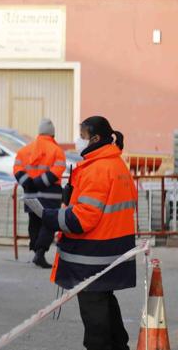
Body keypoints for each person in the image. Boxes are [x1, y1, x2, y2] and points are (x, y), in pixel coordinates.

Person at [33, 116, 136, 350]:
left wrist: (47, 216)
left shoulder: (98, 168)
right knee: (105, 302)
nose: (78, 141)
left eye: (82, 136)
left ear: (96, 138)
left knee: (94, 313)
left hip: (93, 254)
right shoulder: (115, 164)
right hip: (113, 249)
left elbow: (82, 219)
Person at [13, 119, 66, 268]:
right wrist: (39, 182)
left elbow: (17, 169)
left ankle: (36, 250)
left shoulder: (24, 150)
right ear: (53, 134)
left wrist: (29, 183)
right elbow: (57, 171)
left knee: (34, 221)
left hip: (30, 193)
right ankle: (40, 253)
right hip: (50, 194)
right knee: (48, 223)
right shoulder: (57, 151)